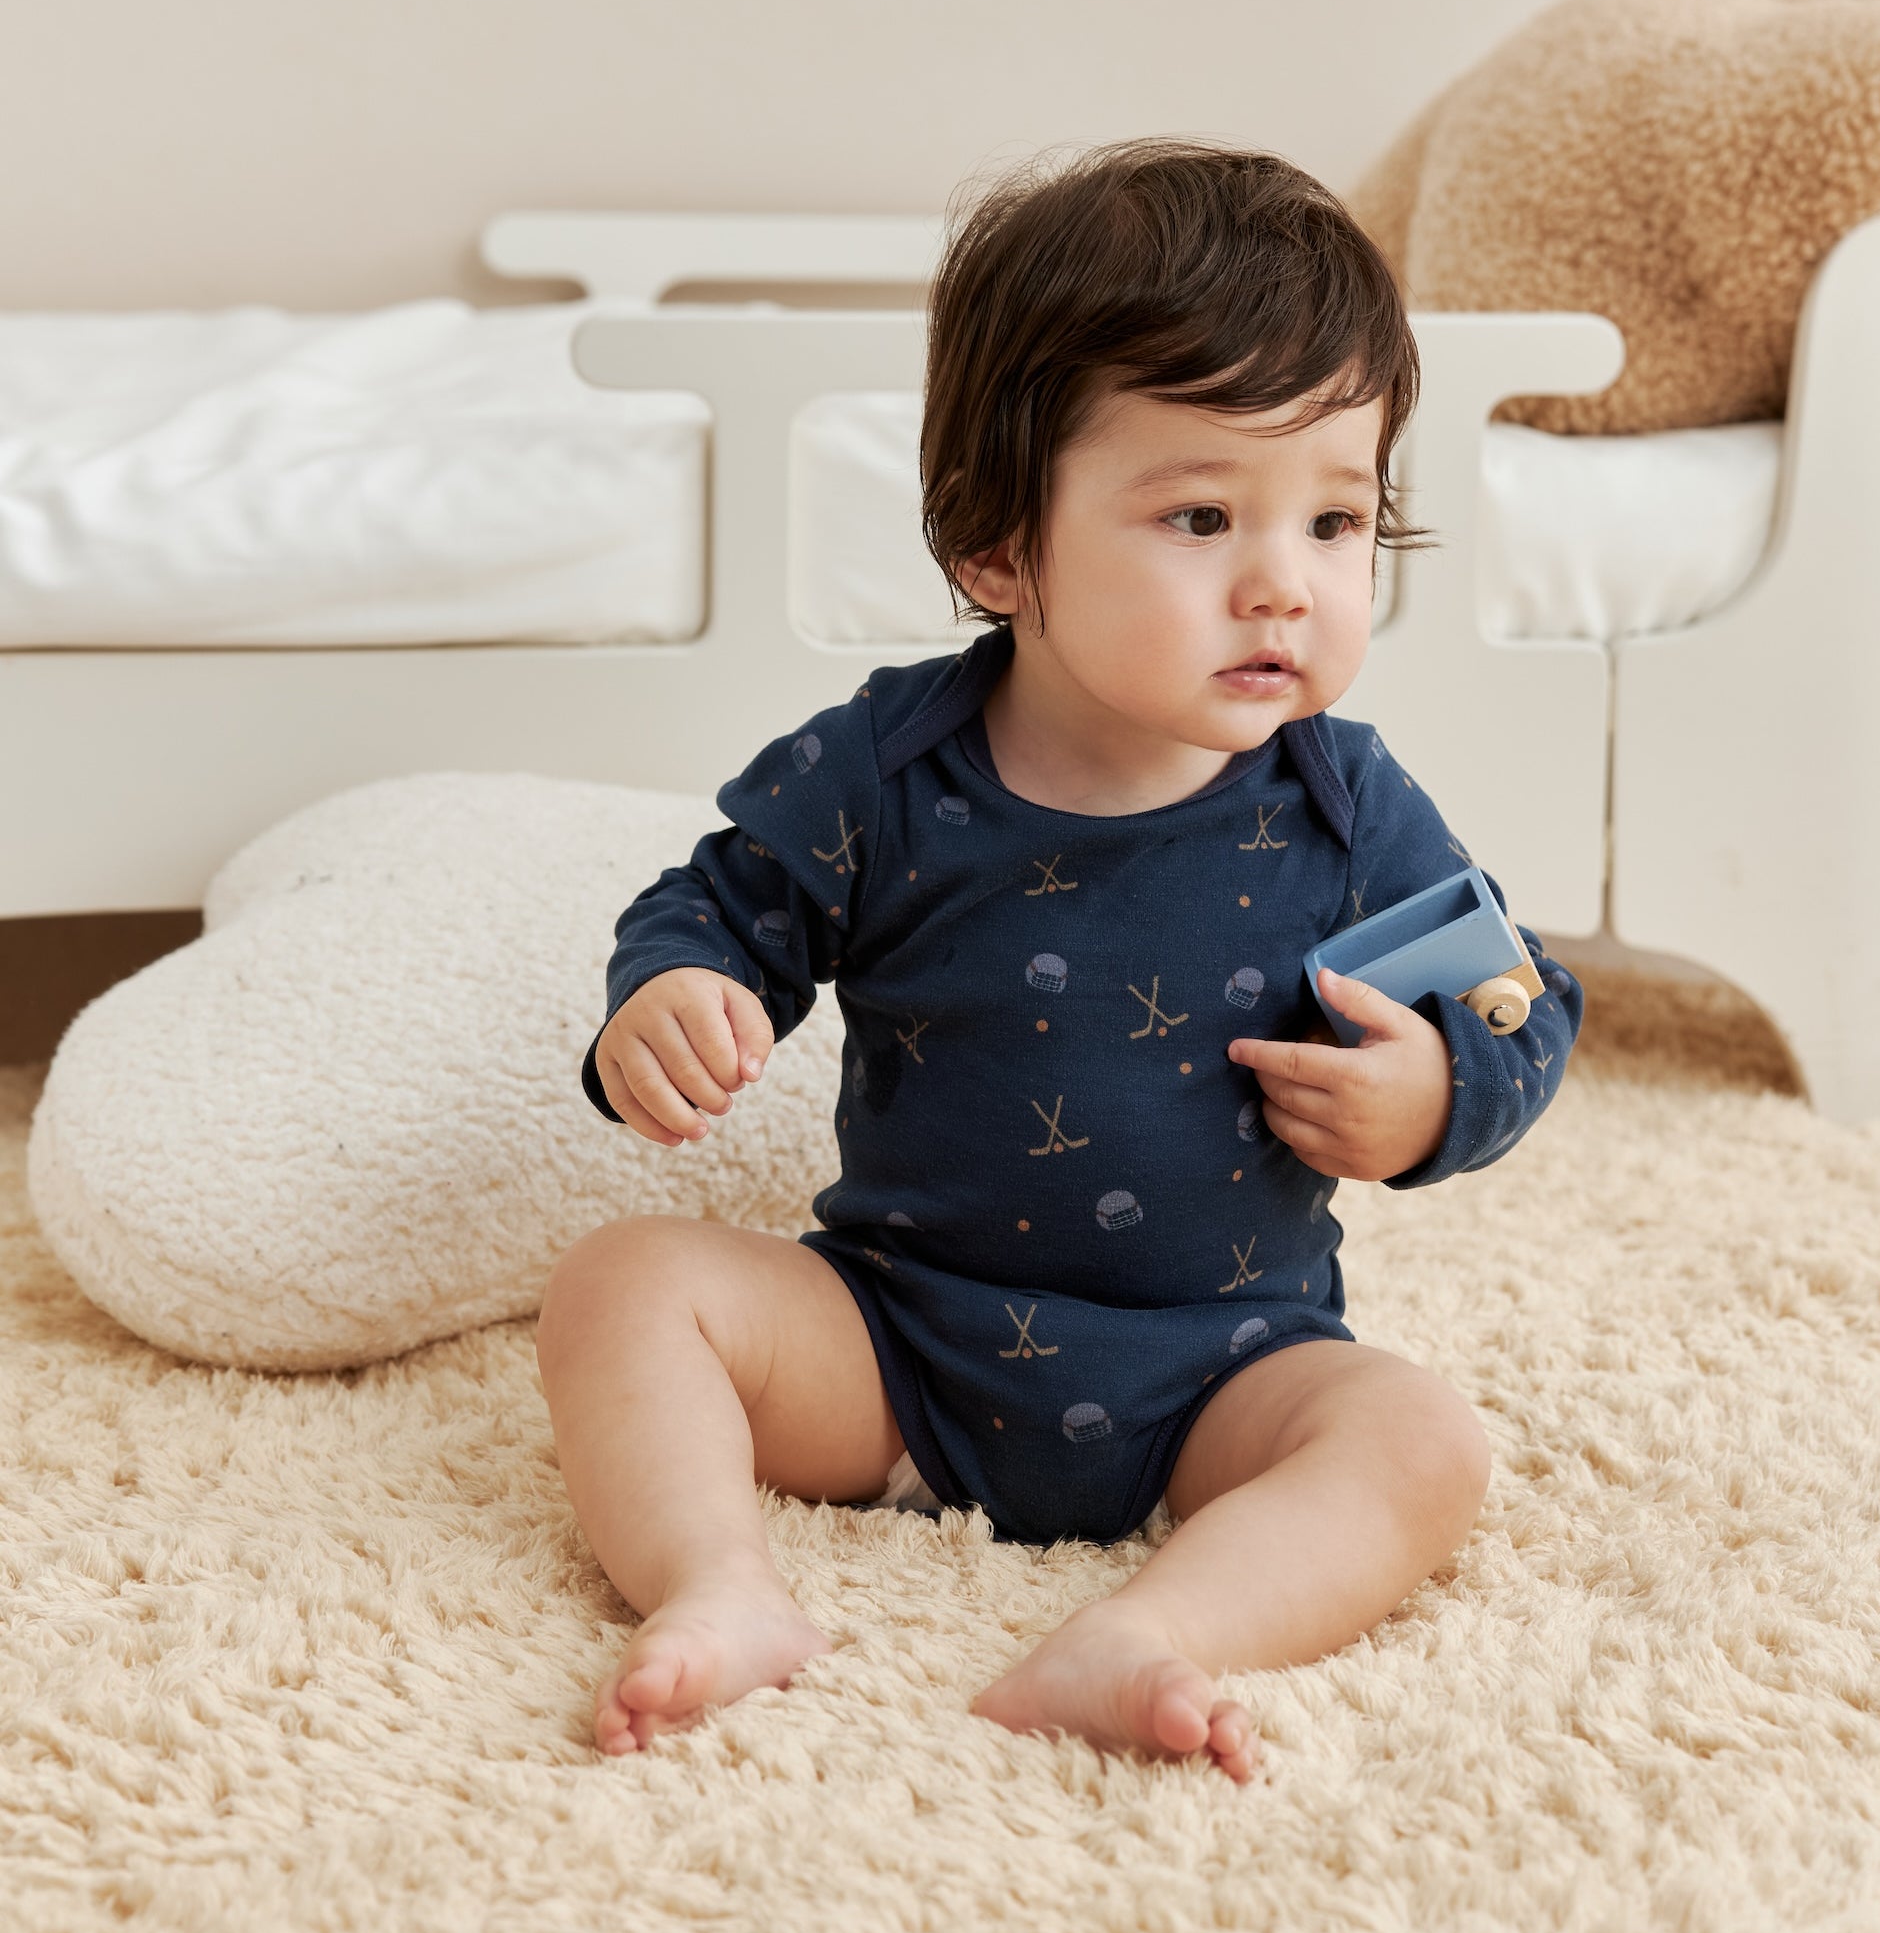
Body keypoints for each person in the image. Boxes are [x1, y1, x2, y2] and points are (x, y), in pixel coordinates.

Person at [538, 141, 1581, 1781]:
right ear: (1000, 551)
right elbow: (714, 908)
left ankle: (1152, 1631)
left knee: (1420, 1440)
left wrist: (1440, 1089)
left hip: (1224, 1374)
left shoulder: (1343, 801)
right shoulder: (885, 771)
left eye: (1335, 519)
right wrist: (670, 999)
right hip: (896, 1351)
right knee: (623, 1285)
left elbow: (1518, 1003)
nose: (1281, 585)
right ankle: (718, 1587)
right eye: (1199, 516)